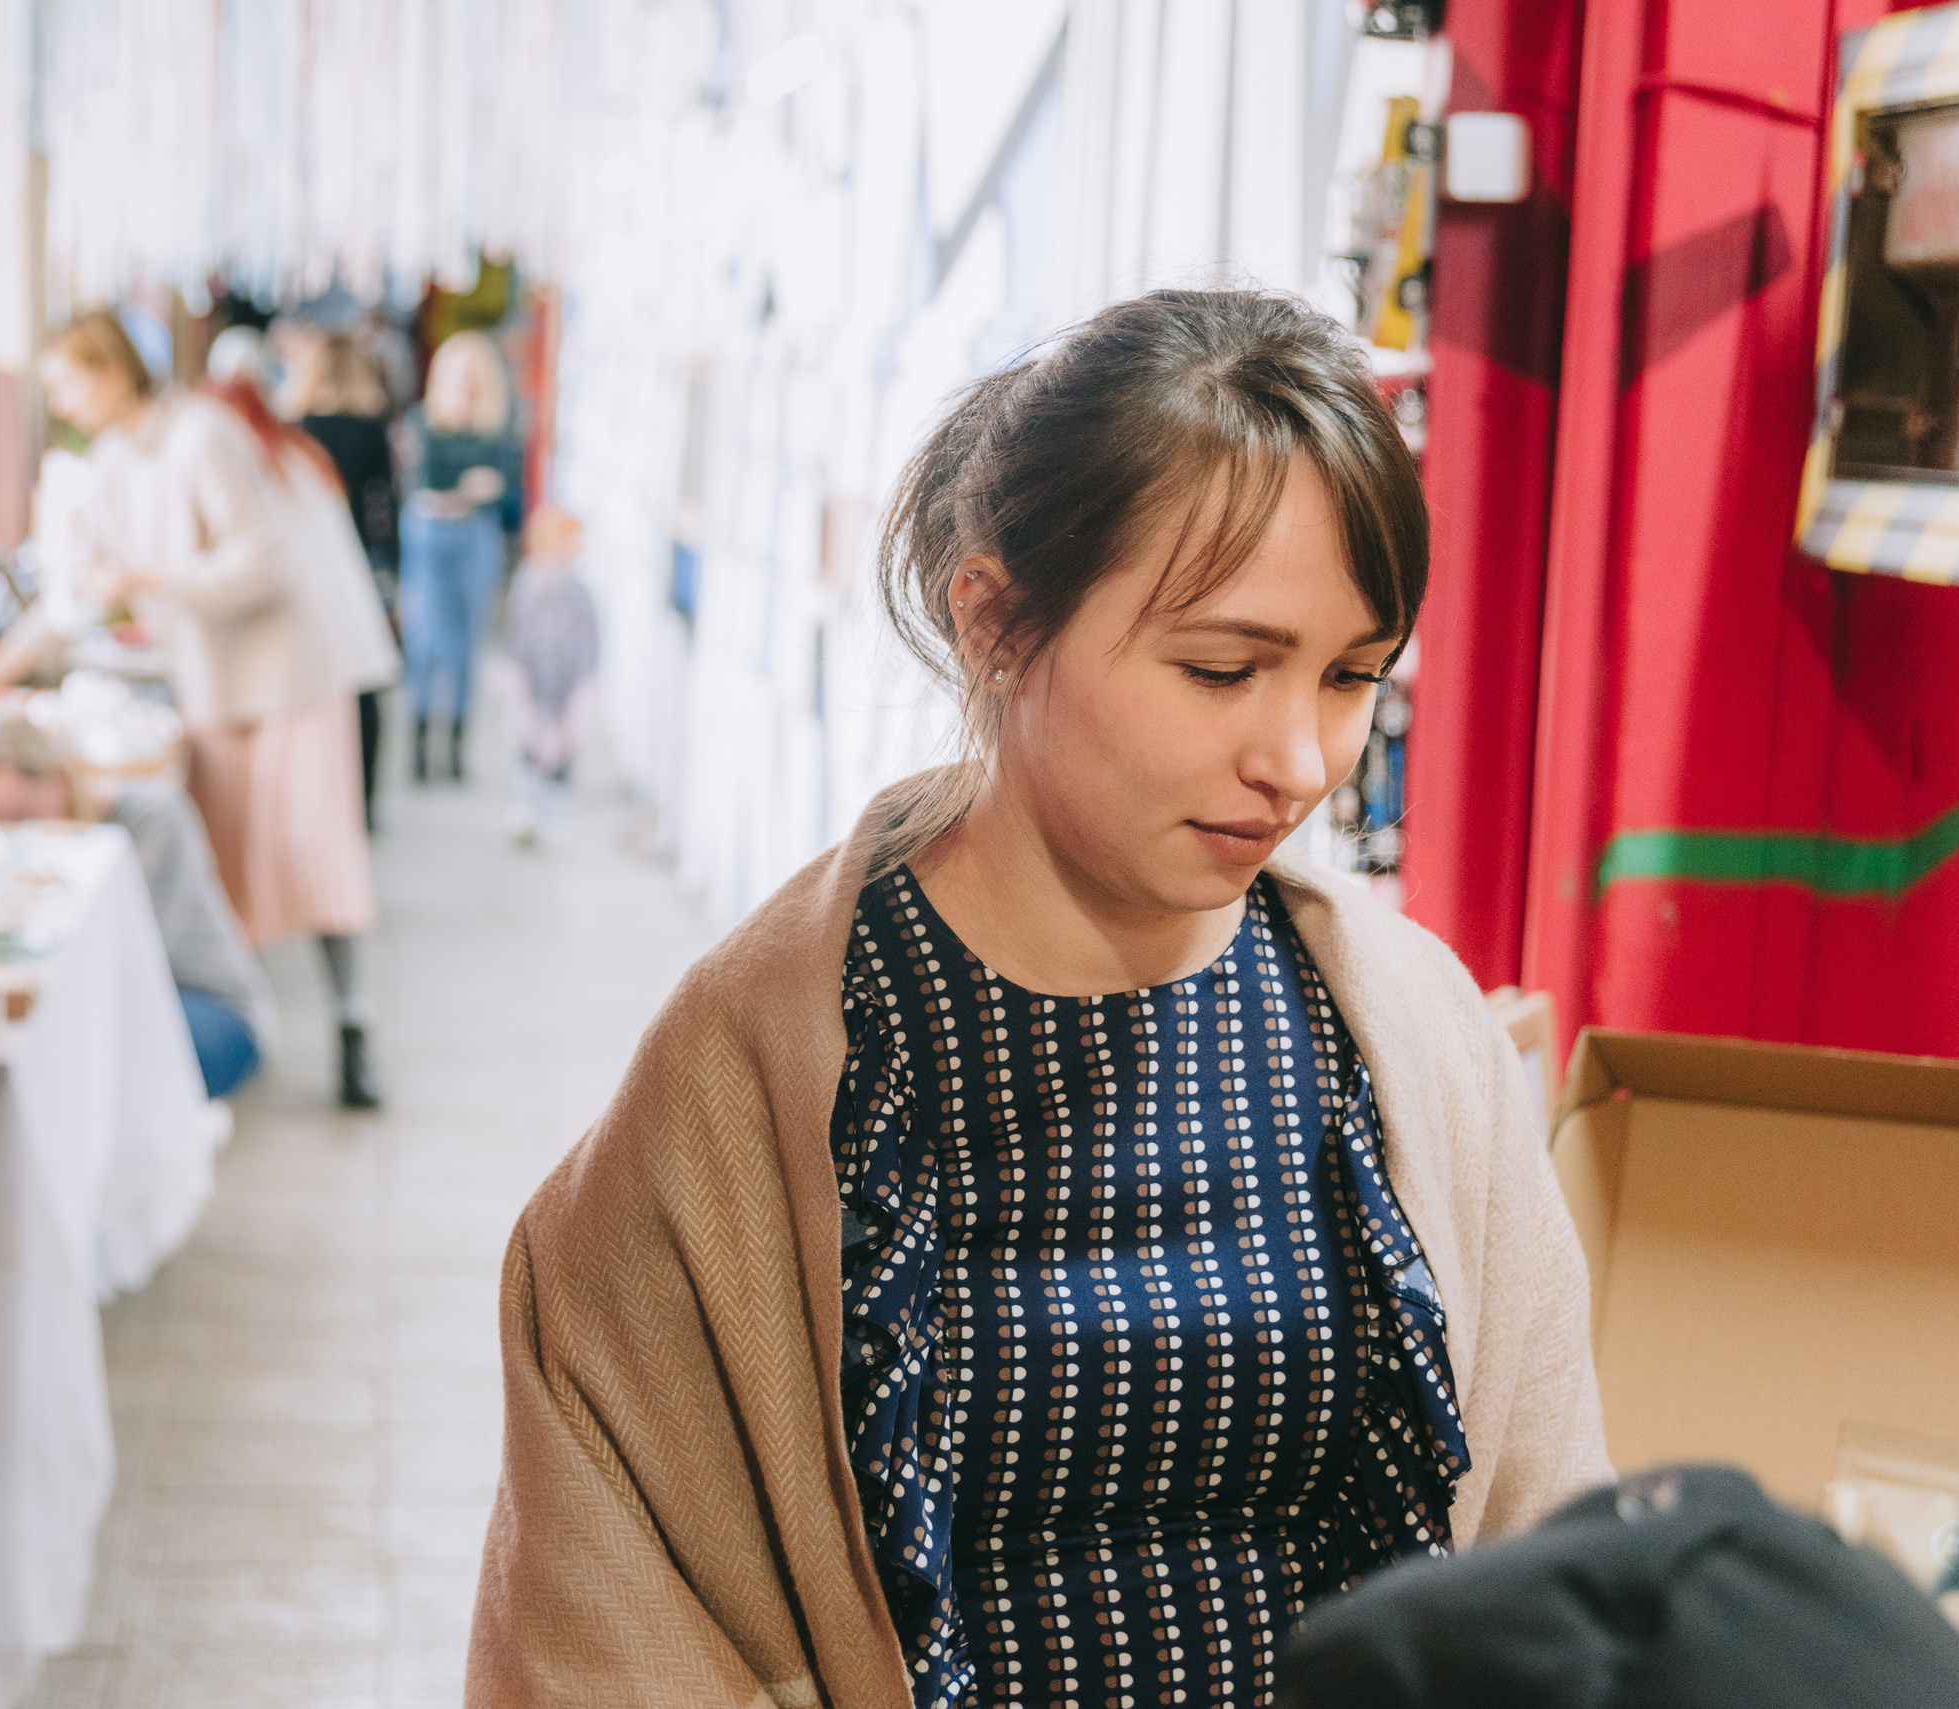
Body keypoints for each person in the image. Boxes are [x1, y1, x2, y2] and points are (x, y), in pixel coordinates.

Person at [469, 291, 1611, 1707]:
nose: (1300, 758)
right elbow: (609, 1615)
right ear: (997, 620)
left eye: (1350, 676)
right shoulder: (752, 1072)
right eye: (1222, 669)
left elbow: (1550, 1533)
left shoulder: (1406, 1039)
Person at [0, 310, 384, 1109]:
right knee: (227, 871)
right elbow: (76, 595)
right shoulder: (110, 459)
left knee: (320, 863)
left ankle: (354, 1030)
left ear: (111, 369)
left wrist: (150, 580)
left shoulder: (202, 434)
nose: (62, 403)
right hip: (213, 688)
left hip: (289, 681)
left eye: (68, 384)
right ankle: (249, 1025)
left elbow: (263, 560)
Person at [0, 717, 274, 1103]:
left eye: (20, 816)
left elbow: (131, 958)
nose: (12, 837)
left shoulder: (151, 819)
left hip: (206, 1006)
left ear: (59, 781)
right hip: (113, 1005)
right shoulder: (10, 852)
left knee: (63, 1058)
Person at [399, 328, 523, 784]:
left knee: (467, 641)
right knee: (426, 638)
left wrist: (468, 491)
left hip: (475, 535)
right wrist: (467, 489)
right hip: (429, 533)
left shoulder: (497, 425)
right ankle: (419, 743)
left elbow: (503, 488)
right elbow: (428, 481)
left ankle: (454, 749)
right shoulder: (424, 421)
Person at [292, 330, 403, 829]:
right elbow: (384, 508)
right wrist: (391, 569)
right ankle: (366, 800)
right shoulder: (372, 430)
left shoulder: (297, 431)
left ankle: (321, 795)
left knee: (314, 685)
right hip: (358, 569)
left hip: (308, 570)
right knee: (364, 685)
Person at [497, 504, 598, 846]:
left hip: (568, 693)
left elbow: (589, 650)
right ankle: (525, 814)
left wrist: (576, 706)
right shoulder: (527, 587)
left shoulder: (579, 593)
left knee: (561, 756)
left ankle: (553, 820)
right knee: (529, 752)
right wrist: (525, 701)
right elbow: (515, 644)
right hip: (530, 689)